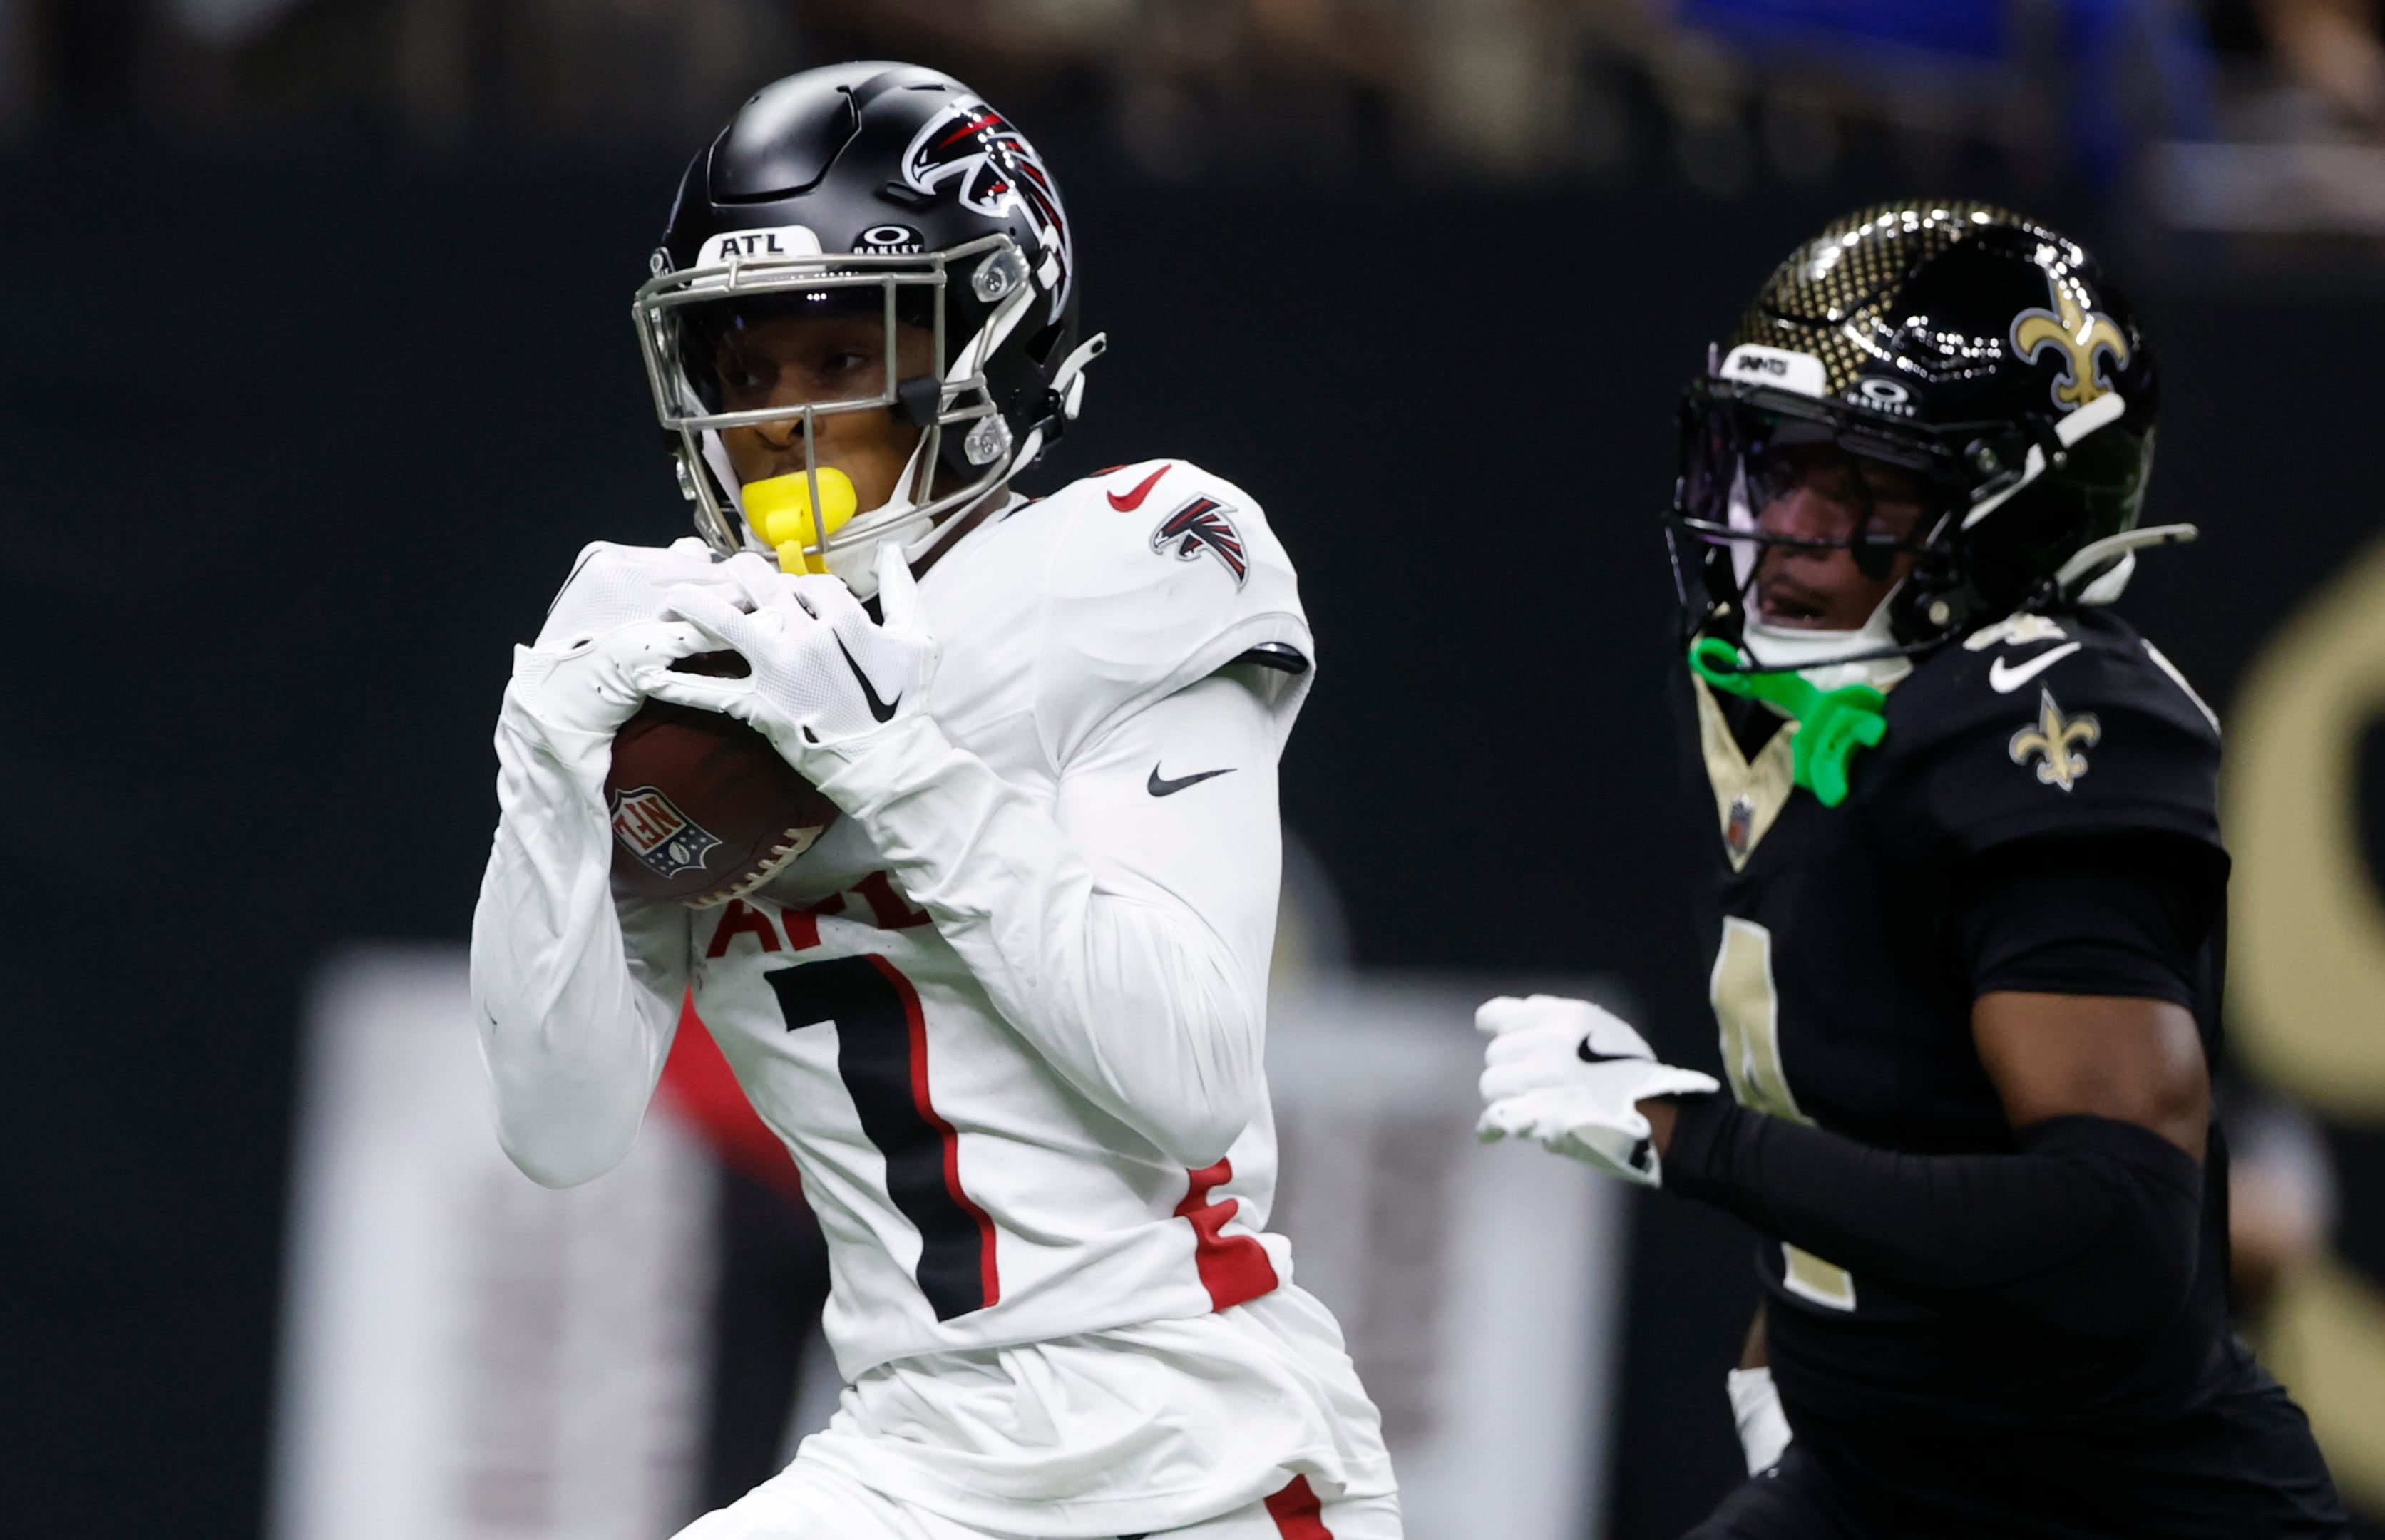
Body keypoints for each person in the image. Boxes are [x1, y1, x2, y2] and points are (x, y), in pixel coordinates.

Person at [468, 62, 1398, 1540]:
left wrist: (897, 762)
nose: (786, 421)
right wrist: (544, 787)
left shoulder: (1119, 566)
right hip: (913, 1457)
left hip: (1192, 1452)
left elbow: (1193, 1071)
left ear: (992, 346)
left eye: (843, 350)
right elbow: (560, 1127)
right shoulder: (694, 671)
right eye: (747, 369)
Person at [1472, 201, 2348, 1538]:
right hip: (1882, 1474)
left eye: (1864, 488)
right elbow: (1882, 1121)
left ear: (2015, 514)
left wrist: (1684, 1134)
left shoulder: (2044, 723)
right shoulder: (1820, 714)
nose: (1789, 529)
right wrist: (1790, 1366)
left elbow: (2115, 1233)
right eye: (1779, 467)